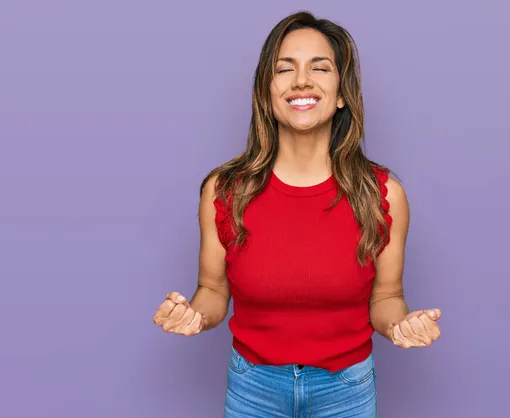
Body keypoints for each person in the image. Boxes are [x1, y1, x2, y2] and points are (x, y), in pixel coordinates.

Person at [152, 10, 442, 417]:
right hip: (253, 388)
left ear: (342, 92)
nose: (301, 80)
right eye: (284, 69)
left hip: (346, 390)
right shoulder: (224, 190)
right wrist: (194, 315)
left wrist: (401, 325)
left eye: (320, 68)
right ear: (267, 93)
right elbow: (213, 290)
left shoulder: (383, 194)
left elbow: (388, 297)